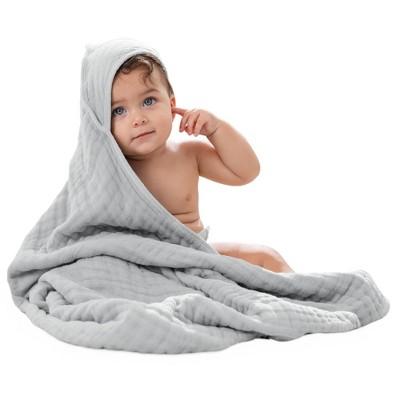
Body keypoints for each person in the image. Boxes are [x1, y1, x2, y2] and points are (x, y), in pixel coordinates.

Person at [110, 52, 294, 273]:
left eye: (148, 101)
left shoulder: (189, 154)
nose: (138, 119)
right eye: (119, 111)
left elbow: (246, 172)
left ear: (171, 106)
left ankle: (300, 295)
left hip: (196, 255)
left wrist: (216, 129)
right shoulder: (110, 168)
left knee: (267, 256)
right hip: (146, 266)